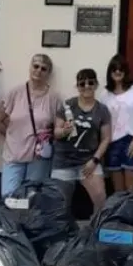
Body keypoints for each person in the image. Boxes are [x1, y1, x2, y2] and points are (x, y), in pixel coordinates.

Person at [0, 53, 63, 197]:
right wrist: (12, 136)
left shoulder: (54, 97)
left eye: (43, 69)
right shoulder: (15, 92)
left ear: (48, 73)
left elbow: (57, 129)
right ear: (30, 68)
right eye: (35, 66)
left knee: (33, 201)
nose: (38, 70)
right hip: (14, 155)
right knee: (9, 198)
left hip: (39, 158)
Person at [51, 68, 111, 213]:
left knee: (100, 199)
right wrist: (64, 130)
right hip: (64, 162)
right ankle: (64, 232)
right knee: (58, 203)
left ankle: (95, 229)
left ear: (96, 85)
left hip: (88, 161)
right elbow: (56, 133)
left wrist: (94, 160)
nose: (86, 86)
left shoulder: (102, 110)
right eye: (82, 83)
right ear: (77, 86)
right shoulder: (67, 106)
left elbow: (106, 138)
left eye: (90, 82)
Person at [98, 55, 133, 194]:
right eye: (114, 69)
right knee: (118, 191)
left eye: (121, 69)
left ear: (126, 71)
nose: (117, 72)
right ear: (110, 72)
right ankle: (120, 215)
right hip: (113, 142)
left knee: (131, 189)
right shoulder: (104, 94)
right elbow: (102, 121)